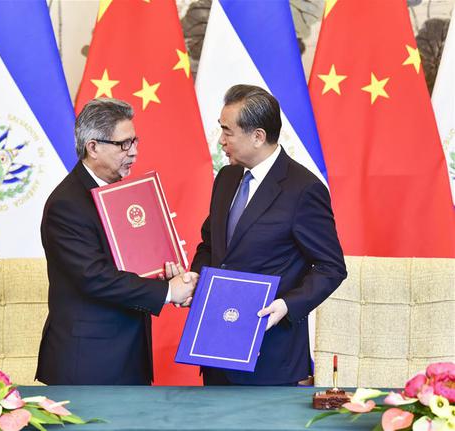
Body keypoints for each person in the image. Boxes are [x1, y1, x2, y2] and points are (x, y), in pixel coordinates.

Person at [191, 84, 347, 386]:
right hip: (216, 348)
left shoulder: (303, 189)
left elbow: (332, 267)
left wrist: (288, 305)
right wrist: (196, 277)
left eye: (228, 132)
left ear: (258, 136)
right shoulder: (226, 177)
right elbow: (211, 245)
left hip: (270, 355)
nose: (221, 141)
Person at [36, 98, 196, 385]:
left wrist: (163, 271)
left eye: (135, 141)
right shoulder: (67, 203)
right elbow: (94, 277)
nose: (133, 152)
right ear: (93, 147)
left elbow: (130, 264)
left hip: (127, 353)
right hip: (87, 361)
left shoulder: (119, 195)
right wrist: (167, 292)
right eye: (123, 144)